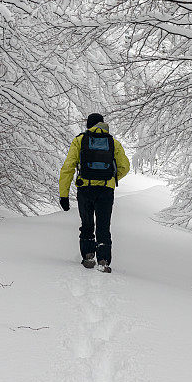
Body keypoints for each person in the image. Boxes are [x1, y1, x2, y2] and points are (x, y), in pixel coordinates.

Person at [59, 113, 130, 273]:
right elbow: (125, 166)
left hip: (85, 189)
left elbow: (68, 168)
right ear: (102, 123)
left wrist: (63, 194)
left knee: (87, 224)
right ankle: (103, 260)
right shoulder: (113, 142)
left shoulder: (80, 140)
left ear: (88, 125)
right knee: (103, 226)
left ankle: (88, 256)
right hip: (106, 190)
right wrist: (111, 178)